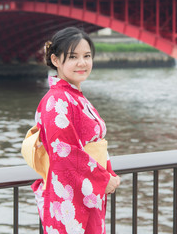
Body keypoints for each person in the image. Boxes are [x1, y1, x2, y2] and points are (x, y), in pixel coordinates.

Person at [31, 26, 120, 234]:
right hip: (69, 199)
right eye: (73, 56)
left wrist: (108, 173)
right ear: (55, 60)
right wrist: (102, 179)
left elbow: (94, 145)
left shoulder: (74, 96)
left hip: (87, 193)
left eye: (87, 56)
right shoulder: (56, 101)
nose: (82, 63)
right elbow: (64, 151)